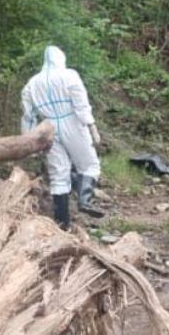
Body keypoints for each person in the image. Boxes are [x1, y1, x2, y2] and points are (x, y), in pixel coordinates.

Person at [21, 46, 104, 229]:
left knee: (59, 174)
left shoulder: (32, 83)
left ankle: (62, 223)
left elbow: (28, 115)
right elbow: (81, 103)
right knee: (89, 165)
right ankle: (86, 200)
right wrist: (91, 125)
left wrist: (28, 140)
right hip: (72, 122)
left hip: (48, 127)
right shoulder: (70, 75)